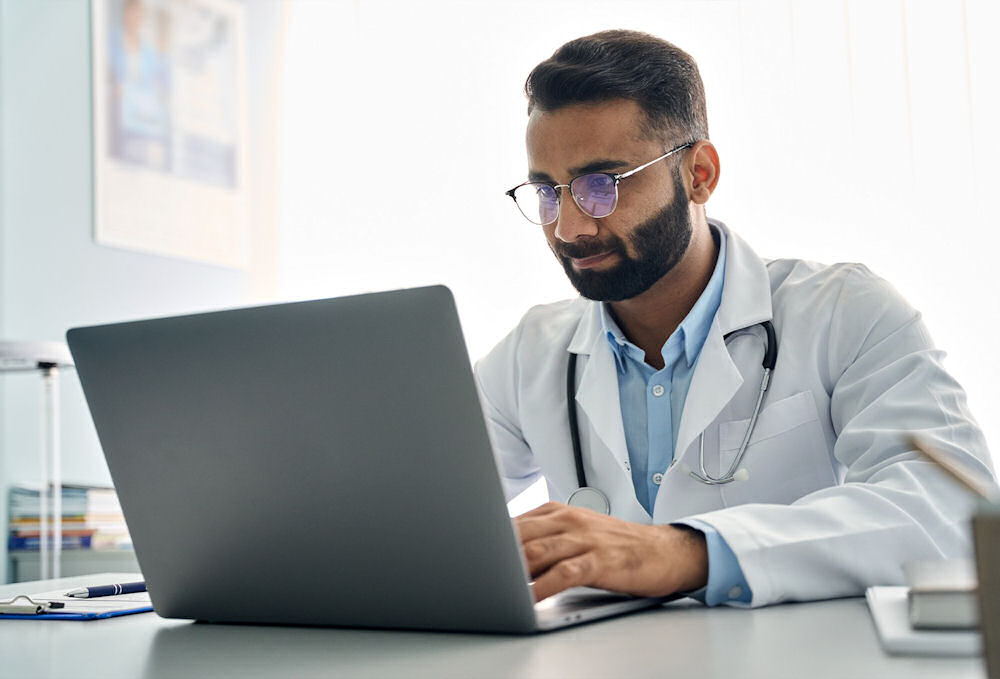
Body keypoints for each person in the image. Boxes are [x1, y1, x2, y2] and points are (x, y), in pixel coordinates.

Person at [474, 29, 995, 607]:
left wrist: (685, 553)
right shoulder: (530, 355)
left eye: (602, 185)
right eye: (548, 192)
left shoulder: (845, 312)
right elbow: (419, 512)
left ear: (699, 174)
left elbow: (950, 511)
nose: (570, 227)